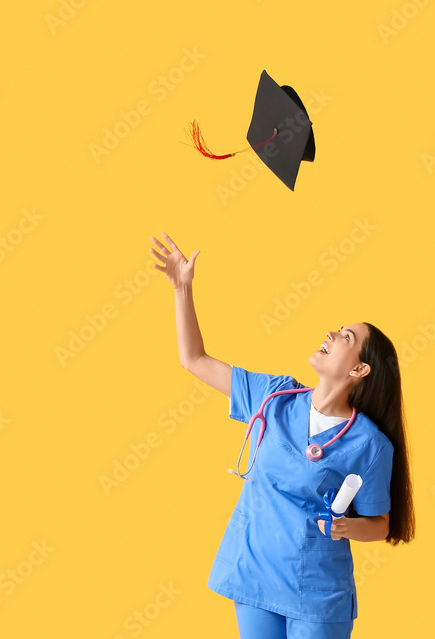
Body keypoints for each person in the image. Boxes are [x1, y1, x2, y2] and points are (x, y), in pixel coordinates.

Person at [149, 232, 415, 639]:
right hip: (254, 574)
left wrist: (347, 528)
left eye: (345, 338)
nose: (330, 335)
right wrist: (182, 289)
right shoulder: (275, 396)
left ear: (360, 370)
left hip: (316, 592)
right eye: (336, 330)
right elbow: (194, 359)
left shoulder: (369, 443)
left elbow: (379, 523)